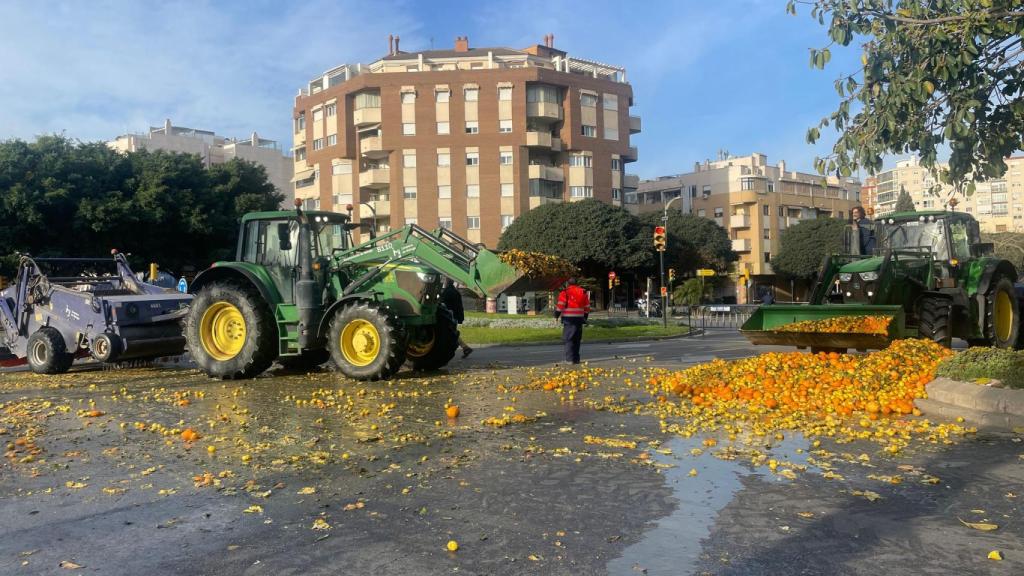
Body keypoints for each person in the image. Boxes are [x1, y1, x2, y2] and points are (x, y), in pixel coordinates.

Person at [554, 278, 591, 364]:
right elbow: (587, 307)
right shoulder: (583, 292)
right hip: (579, 319)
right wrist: (585, 317)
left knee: (568, 339)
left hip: (568, 319)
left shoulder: (565, 292)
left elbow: (560, 306)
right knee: (577, 339)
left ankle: (570, 359)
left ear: (568, 284)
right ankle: (576, 359)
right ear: (577, 283)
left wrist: (556, 316)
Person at [441, 279, 472, 358]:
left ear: (447, 282)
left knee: (451, 334)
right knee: (452, 333)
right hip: (455, 316)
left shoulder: (447, 292)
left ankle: (465, 348)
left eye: (445, 281)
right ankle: (465, 347)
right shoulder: (455, 291)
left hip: (449, 316)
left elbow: (442, 303)